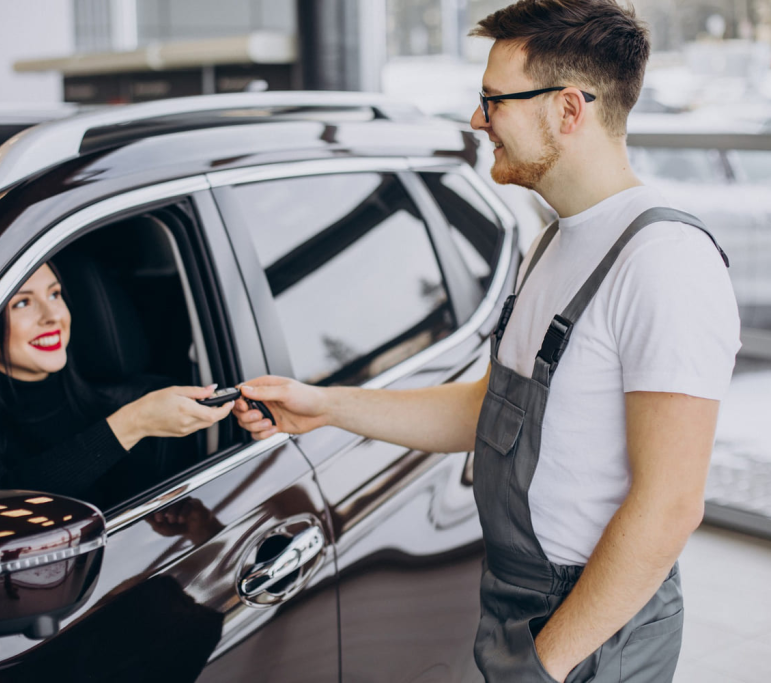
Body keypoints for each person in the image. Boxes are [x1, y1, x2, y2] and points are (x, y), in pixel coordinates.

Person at [232, 1, 740, 681]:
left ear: (567, 109)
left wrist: (545, 663)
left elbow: (670, 505)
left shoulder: (664, 261)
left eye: (494, 100)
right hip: (516, 600)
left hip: (593, 626)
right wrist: (322, 404)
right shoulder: (557, 239)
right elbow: (488, 409)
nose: (478, 119)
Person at [0, 262, 233, 510]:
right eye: (22, 302)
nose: (52, 315)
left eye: (55, 294)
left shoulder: (107, 403)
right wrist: (133, 423)